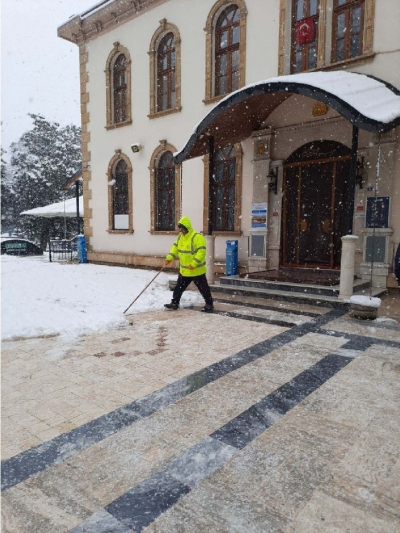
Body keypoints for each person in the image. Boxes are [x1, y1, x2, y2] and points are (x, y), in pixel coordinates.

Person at [164, 216, 214, 312]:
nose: (181, 230)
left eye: (182, 228)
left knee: (203, 288)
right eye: (180, 228)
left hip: (196, 270)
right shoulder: (180, 237)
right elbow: (175, 248)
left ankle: (209, 303)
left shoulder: (197, 237)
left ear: (187, 227)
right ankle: (174, 303)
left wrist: (194, 264)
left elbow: (201, 252)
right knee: (179, 287)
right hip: (184, 270)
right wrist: (169, 258)